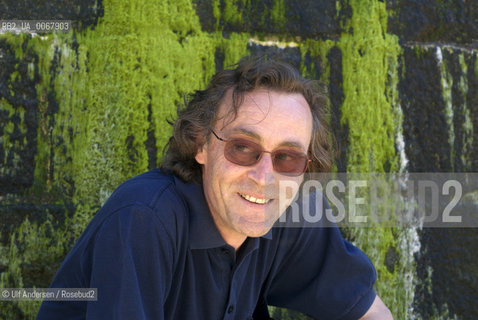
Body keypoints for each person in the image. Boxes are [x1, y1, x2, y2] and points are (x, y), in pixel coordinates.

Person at [37, 57, 393, 319]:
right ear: (201, 144)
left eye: (288, 158)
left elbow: (369, 313)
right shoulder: (145, 219)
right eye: (242, 148)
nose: (264, 176)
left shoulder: (287, 212)